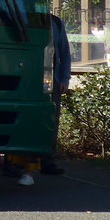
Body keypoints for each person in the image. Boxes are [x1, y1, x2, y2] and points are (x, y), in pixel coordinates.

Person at [42, 13, 70, 175]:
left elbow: (65, 52)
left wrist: (65, 78)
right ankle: (21, 162)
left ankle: (48, 161)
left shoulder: (56, 23)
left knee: (52, 121)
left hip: (53, 78)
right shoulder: (23, 17)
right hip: (31, 76)